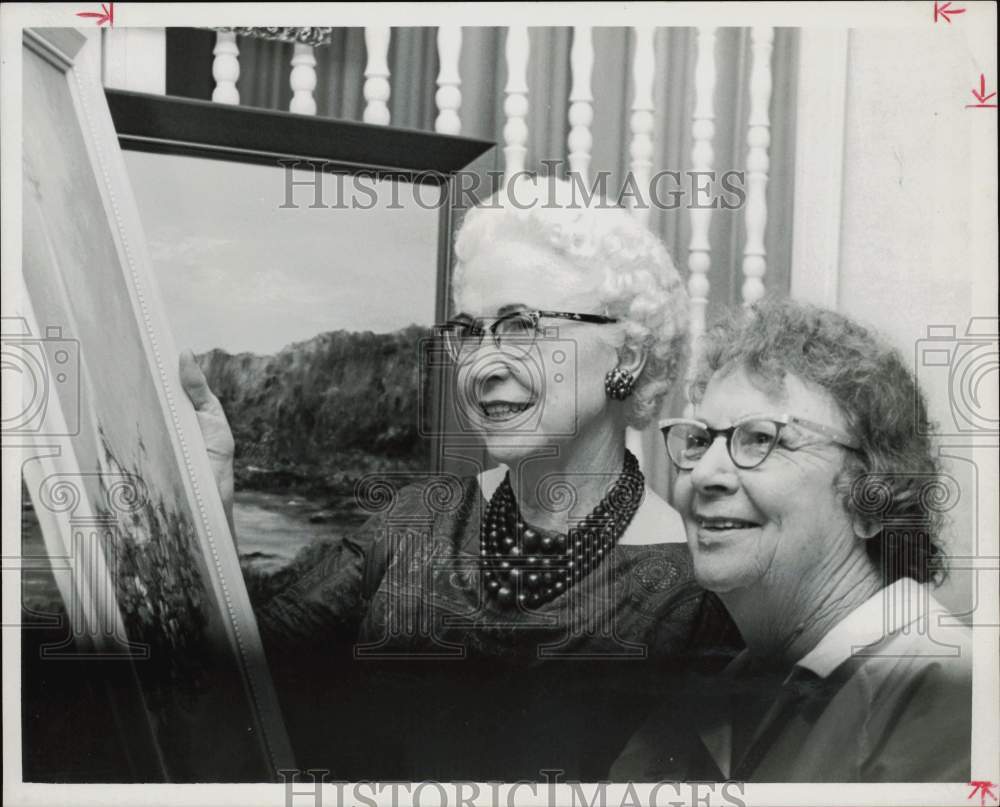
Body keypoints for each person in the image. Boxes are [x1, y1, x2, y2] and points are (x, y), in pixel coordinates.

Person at [180, 176, 739, 781]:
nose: (483, 364)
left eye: (523, 325)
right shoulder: (420, 520)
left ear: (626, 357)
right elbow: (246, 661)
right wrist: (212, 497)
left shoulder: (696, 596)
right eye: (469, 332)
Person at [612, 298, 972, 782]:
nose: (704, 474)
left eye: (761, 439)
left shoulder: (948, 694)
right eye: (699, 440)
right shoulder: (701, 701)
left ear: (871, 497)